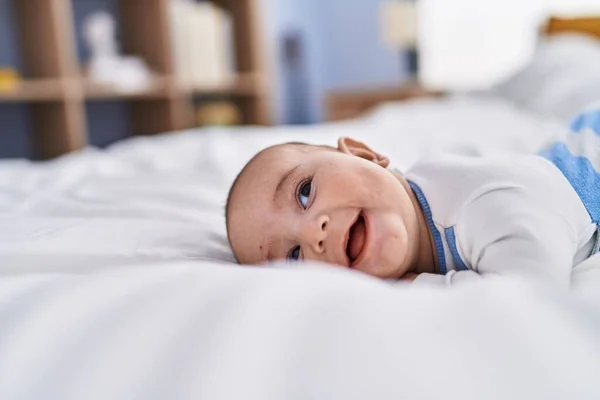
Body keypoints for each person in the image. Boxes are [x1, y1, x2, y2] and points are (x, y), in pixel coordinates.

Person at [225, 109, 600, 288]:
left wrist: (418, 284)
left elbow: (528, 297)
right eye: (293, 257)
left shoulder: (486, 203)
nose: (312, 235)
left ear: (364, 154)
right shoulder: (418, 206)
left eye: (304, 192)